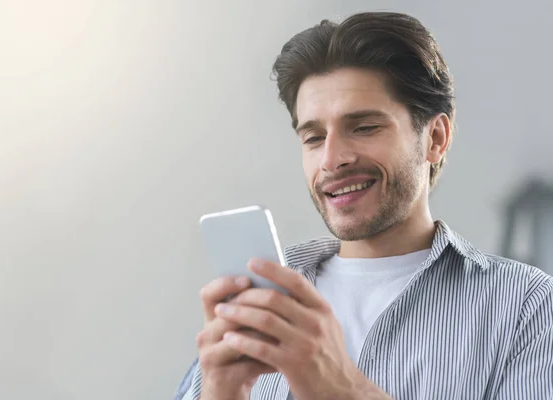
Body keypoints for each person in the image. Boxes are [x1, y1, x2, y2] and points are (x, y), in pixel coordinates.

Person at [174, 11, 553, 400]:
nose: (331, 159)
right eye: (314, 137)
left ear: (435, 137)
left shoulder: (528, 307)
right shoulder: (260, 302)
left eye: (365, 127)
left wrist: (342, 389)